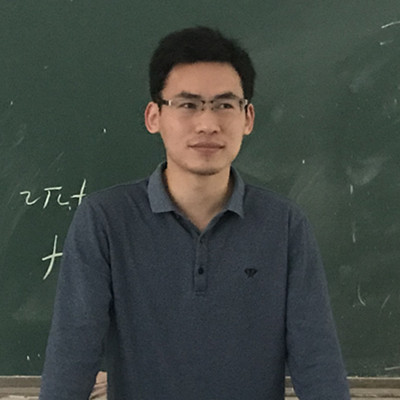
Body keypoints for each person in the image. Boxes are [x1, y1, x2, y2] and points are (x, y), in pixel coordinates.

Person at [39, 26, 350, 400]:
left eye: (224, 105)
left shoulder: (283, 224)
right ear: (154, 116)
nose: (208, 124)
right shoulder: (105, 220)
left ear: (248, 117)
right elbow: (72, 358)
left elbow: (317, 363)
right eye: (187, 105)